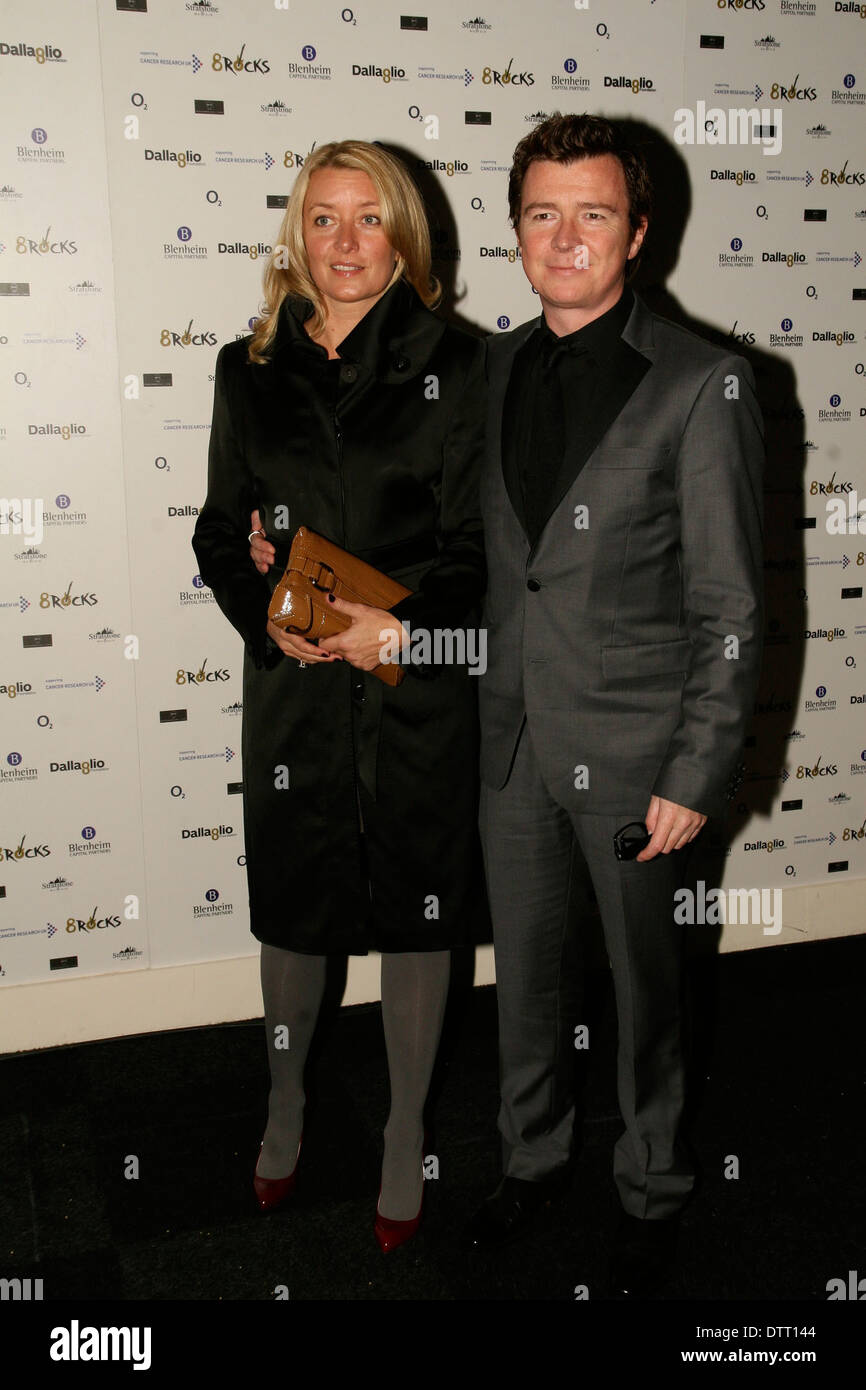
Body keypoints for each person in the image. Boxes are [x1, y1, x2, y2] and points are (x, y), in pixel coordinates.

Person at [464, 113, 764, 1296]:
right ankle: (529, 1162)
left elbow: (730, 605)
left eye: (593, 213)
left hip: (640, 761)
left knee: (647, 996)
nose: (565, 236)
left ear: (637, 232)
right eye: (542, 212)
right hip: (512, 749)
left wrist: (694, 775)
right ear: (518, 230)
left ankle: (652, 1186)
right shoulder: (489, 368)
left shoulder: (703, 382)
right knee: (525, 985)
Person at [192, 140, 486, 1253]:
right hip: (294, 695)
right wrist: (261, 612)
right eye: (324, 219)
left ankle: (405, 1130)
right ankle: (286, 1104)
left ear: (403, 234)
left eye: (369, 219)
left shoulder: (459, 366)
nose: (346, 242)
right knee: (294, 912)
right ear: (295, 234)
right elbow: (223, 531)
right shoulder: (247, 366)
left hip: (410, 691)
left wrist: (394, 629)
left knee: (418, 911)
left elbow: (473, 550)